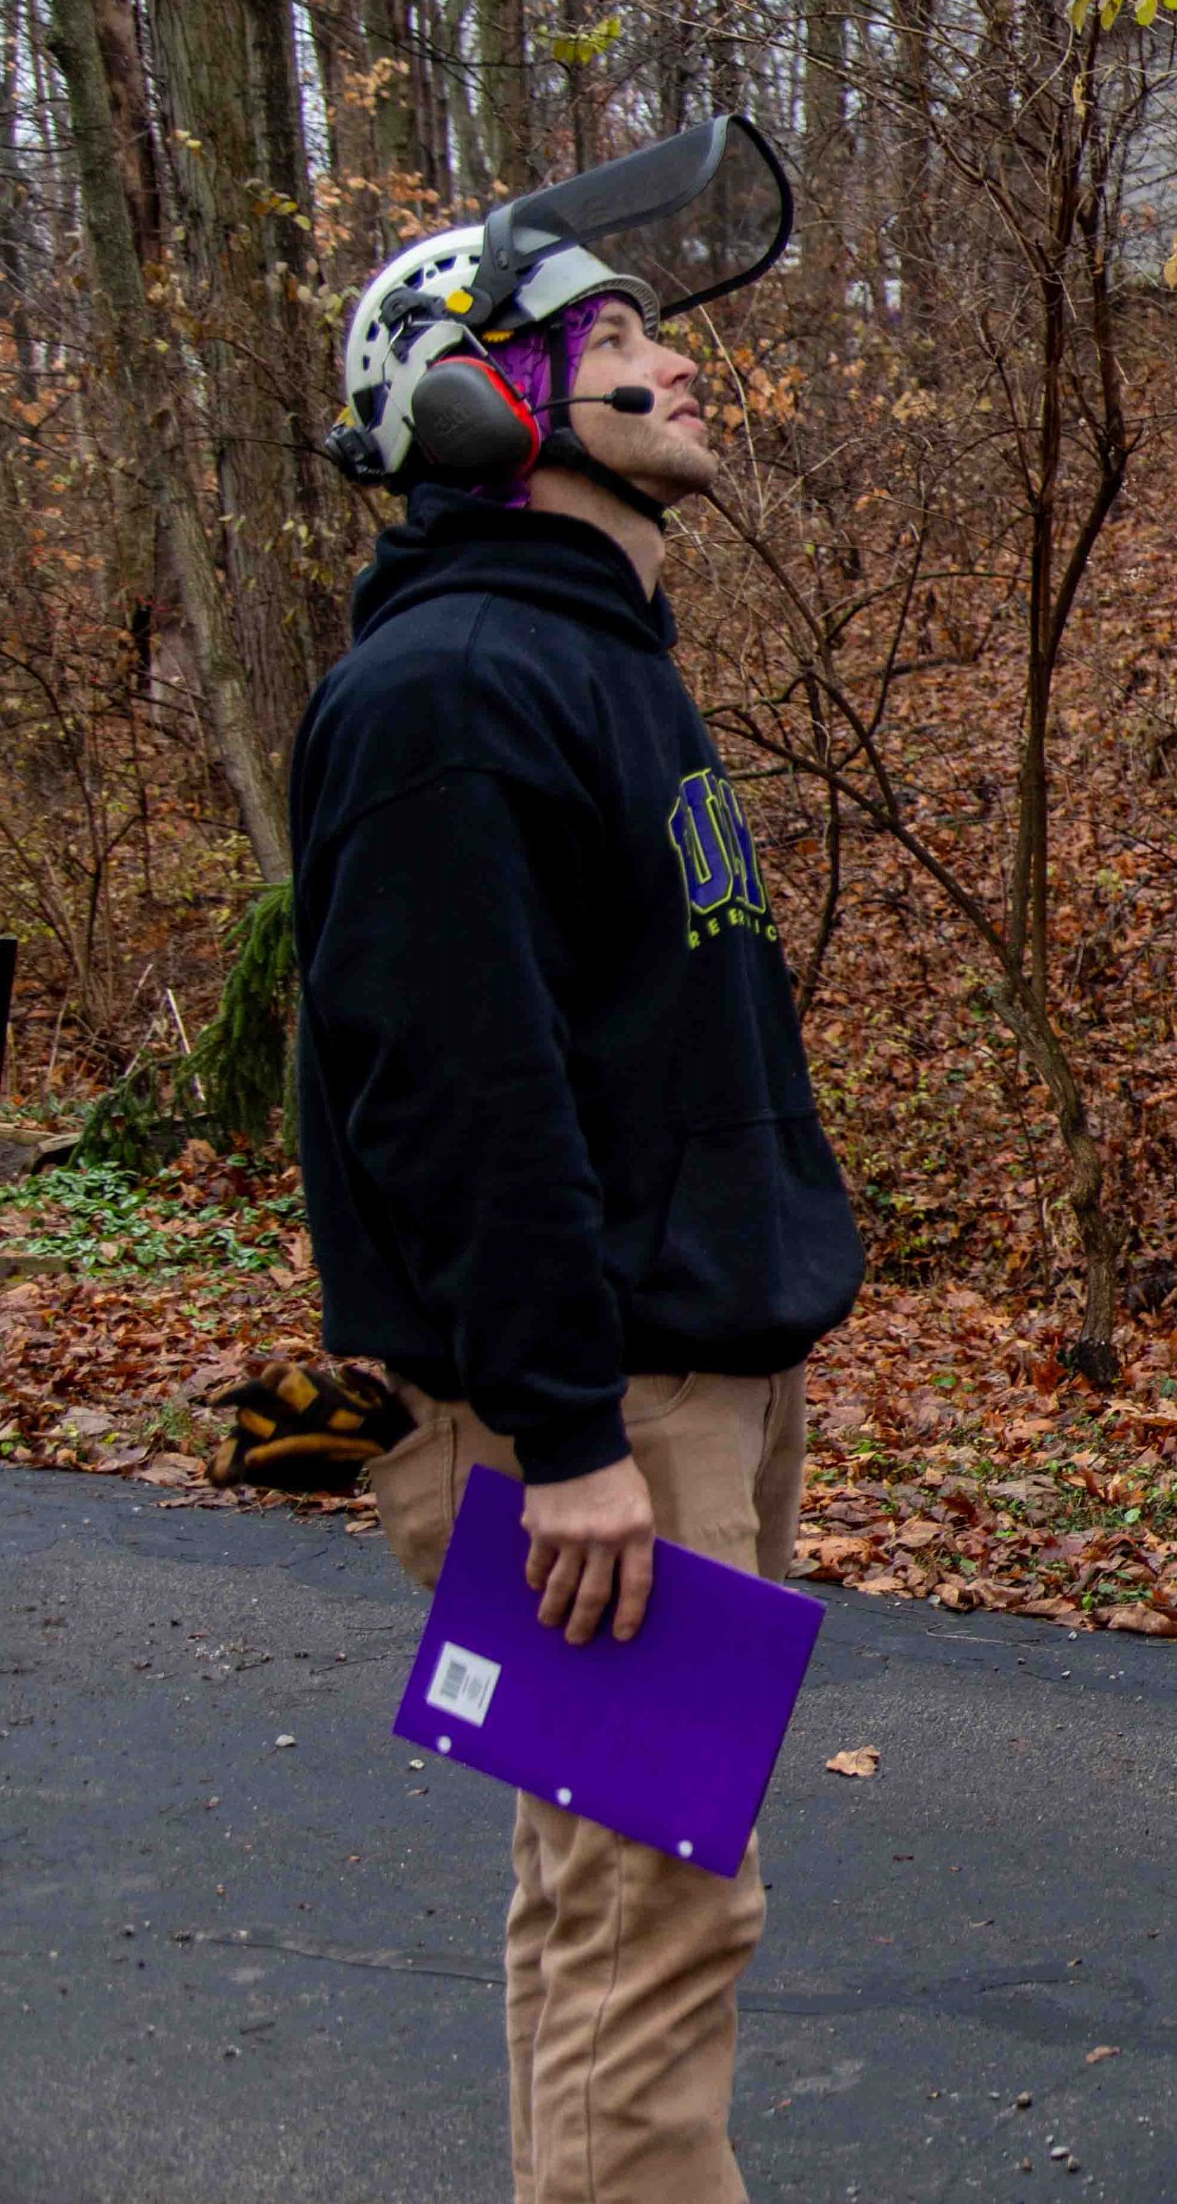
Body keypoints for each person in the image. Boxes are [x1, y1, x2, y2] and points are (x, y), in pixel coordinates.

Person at [295, 131, 859, 2204]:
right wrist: (564, 1439)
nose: (678, 360)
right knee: (655, 1909)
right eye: (611, 332)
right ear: (475, 400)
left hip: (678, 1374)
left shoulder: (594, 660)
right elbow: (457, 1095)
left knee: (605, 1892)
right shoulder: (449, 689)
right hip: (596, 1412)